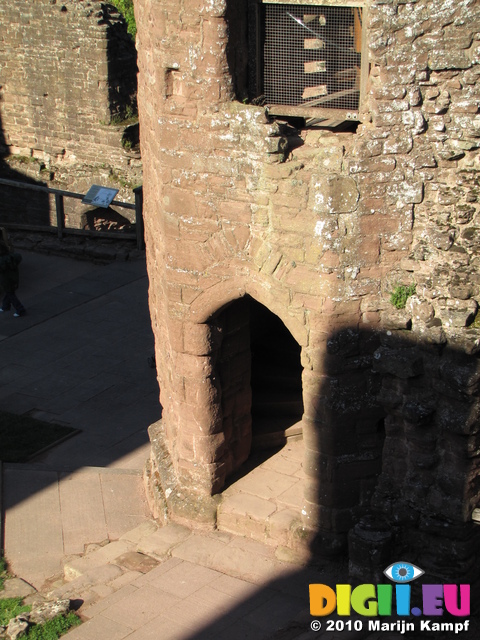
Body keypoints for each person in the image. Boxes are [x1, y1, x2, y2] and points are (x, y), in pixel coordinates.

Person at [0, 241, 26, 317]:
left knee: (10, 294)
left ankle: (20, 309)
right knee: (9, 293)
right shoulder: (12, 257)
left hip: (6, 280)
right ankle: (5, 306)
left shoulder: (2, 261)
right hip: (14, 278)